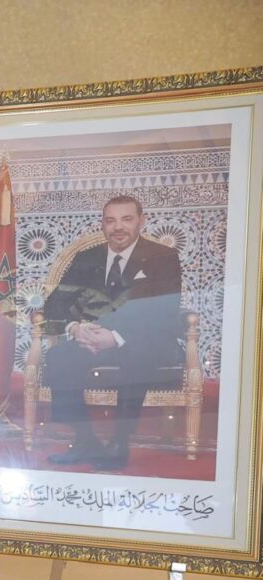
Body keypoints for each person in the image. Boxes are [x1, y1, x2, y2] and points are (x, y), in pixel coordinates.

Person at [42, 195, 183, 471]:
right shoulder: (87, 258)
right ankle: (85, 440)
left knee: (137, 354)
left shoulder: (162, 257)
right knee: (59, 356)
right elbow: (55, 304)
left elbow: (163, 310)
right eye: (111, 220)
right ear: (103, 224)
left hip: (146, 340)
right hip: (93, 338)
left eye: (126, 219)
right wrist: (75, 328)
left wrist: (116, 336)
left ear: (141, 221)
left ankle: (120, 440)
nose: (118, 227)